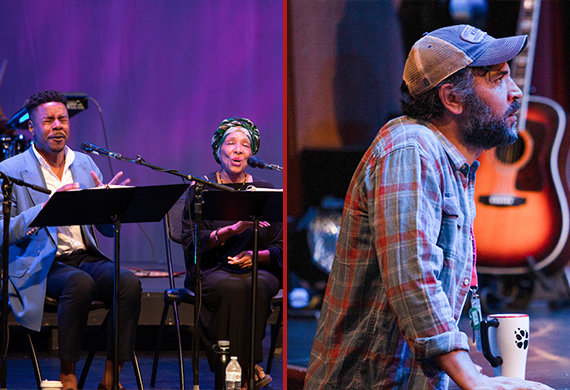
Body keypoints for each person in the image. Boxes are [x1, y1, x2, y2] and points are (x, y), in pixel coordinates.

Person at [304, 25, 554, 390]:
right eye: (499, 79)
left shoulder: (453, 164)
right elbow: (413, 274)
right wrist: (474, 380)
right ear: (453, 99)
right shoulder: (410, 148)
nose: (516, 92)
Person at [0, 90, 142, 390]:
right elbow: (2, 231)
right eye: (48, 120)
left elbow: (103, 230)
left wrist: (109, 203)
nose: (57, 126)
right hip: (42, 261)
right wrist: (44, 210)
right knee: (79, 283)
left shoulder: (84, 163)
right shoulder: (10, 170)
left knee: (127, 282)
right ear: (32, 127)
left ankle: (110, 378)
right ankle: (68, 374)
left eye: (62, 119)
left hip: (84, 256)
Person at [181, 117, 282, 389]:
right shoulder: (201, 190)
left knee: (258, 286)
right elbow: (192, 244)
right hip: (213, 269)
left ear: (252, 153)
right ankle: (247, 366)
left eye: (245, 145)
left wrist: (255, 256)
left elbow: (280, 247)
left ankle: (234, 370)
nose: (238, 150)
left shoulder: (266, 191)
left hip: (258, 269)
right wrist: (232, 230)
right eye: (231, 143)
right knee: (233, 289)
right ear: (218, 150)